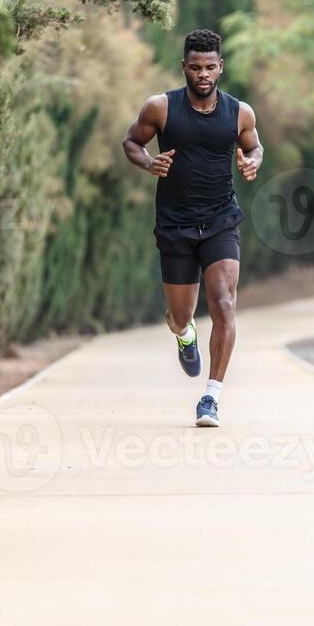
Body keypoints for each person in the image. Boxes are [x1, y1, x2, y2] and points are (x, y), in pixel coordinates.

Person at [122, 28, 263, 427]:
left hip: (221, 220)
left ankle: (211, 398)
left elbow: (255, 146)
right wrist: (149, 162)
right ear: (184, 67)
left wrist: (254, 161)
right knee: (181, 315)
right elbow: (131, 142)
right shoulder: (160, 108)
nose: (203, 74)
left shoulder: (239, 112)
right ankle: (185, 336)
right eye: (196, 67)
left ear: (221, 68)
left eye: (210, 67)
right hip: (175, 225)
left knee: (223, 303)